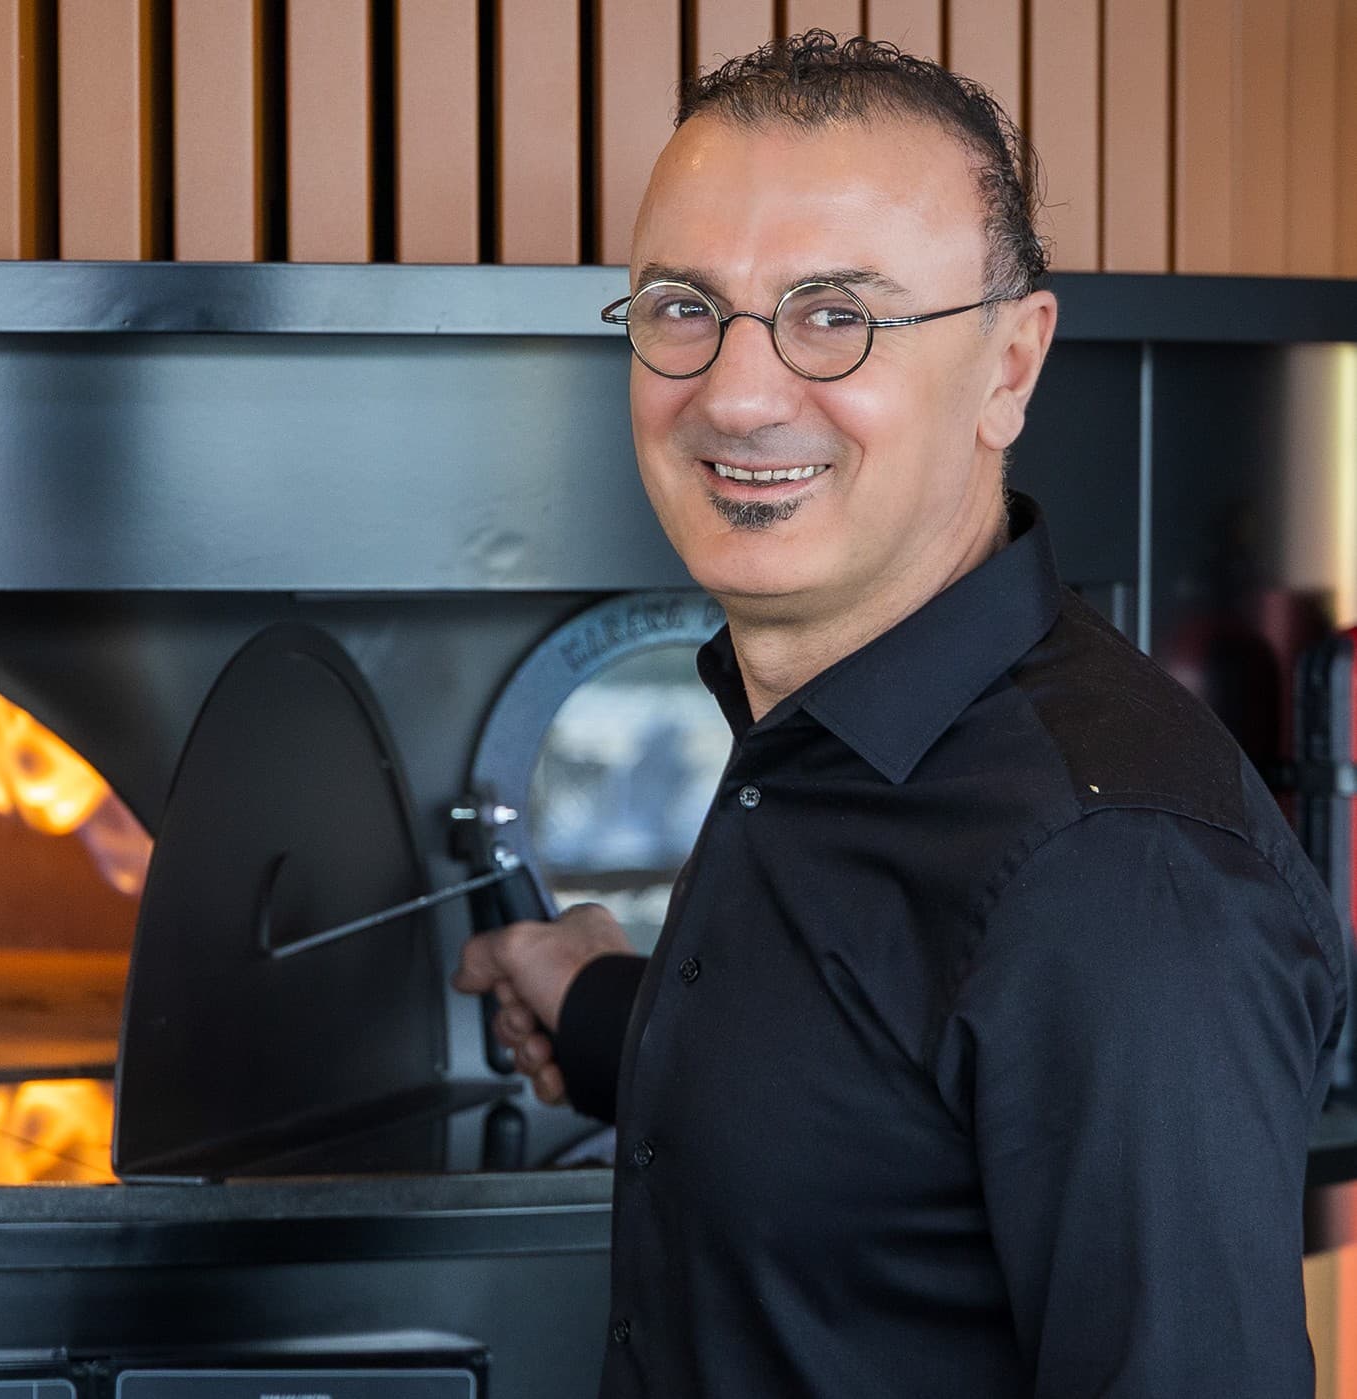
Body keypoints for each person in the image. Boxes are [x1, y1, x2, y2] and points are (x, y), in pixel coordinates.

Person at [452, 31, 1347, 1398]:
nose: (739, 395)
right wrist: (600, 1011)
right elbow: (877, 1091)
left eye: (836, 315)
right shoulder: (822, 738)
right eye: (684, 307)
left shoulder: (1121, 878)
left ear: (1010, 366)